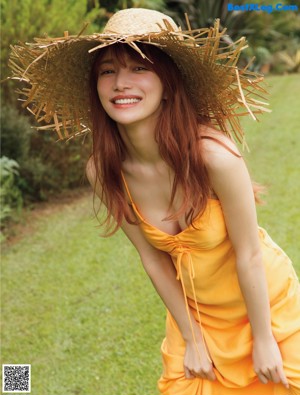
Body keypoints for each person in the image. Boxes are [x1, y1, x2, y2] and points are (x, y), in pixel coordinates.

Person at [8, 8, 300, 395]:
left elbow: (249, 255)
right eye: (108, 71)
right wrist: (193, 338)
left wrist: (264, 339)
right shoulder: (104, 171)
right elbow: (153, 258)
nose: (120, 84)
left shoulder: (215, 157)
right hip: (195, 314)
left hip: (265, 308)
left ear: (168, 82)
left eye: (138, 68)